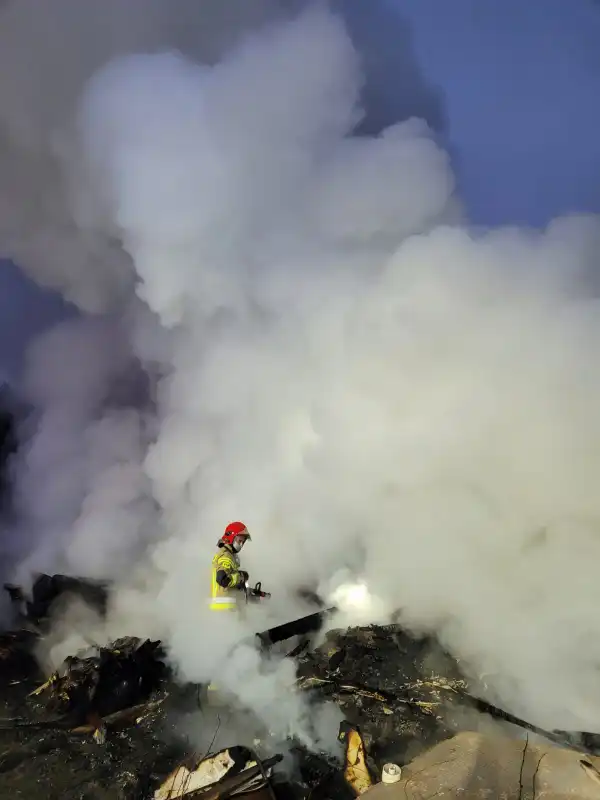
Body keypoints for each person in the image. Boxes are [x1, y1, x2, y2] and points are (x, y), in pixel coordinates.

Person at [209, 521, 251, 612]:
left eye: (243, 542)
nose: (241, 544)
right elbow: (223, 580)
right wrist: (241, 577)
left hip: (227, 608)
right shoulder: (226, 556)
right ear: (231, 537)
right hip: (224, 608)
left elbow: (230, 583)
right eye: (239, 540)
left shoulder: (229, 555)